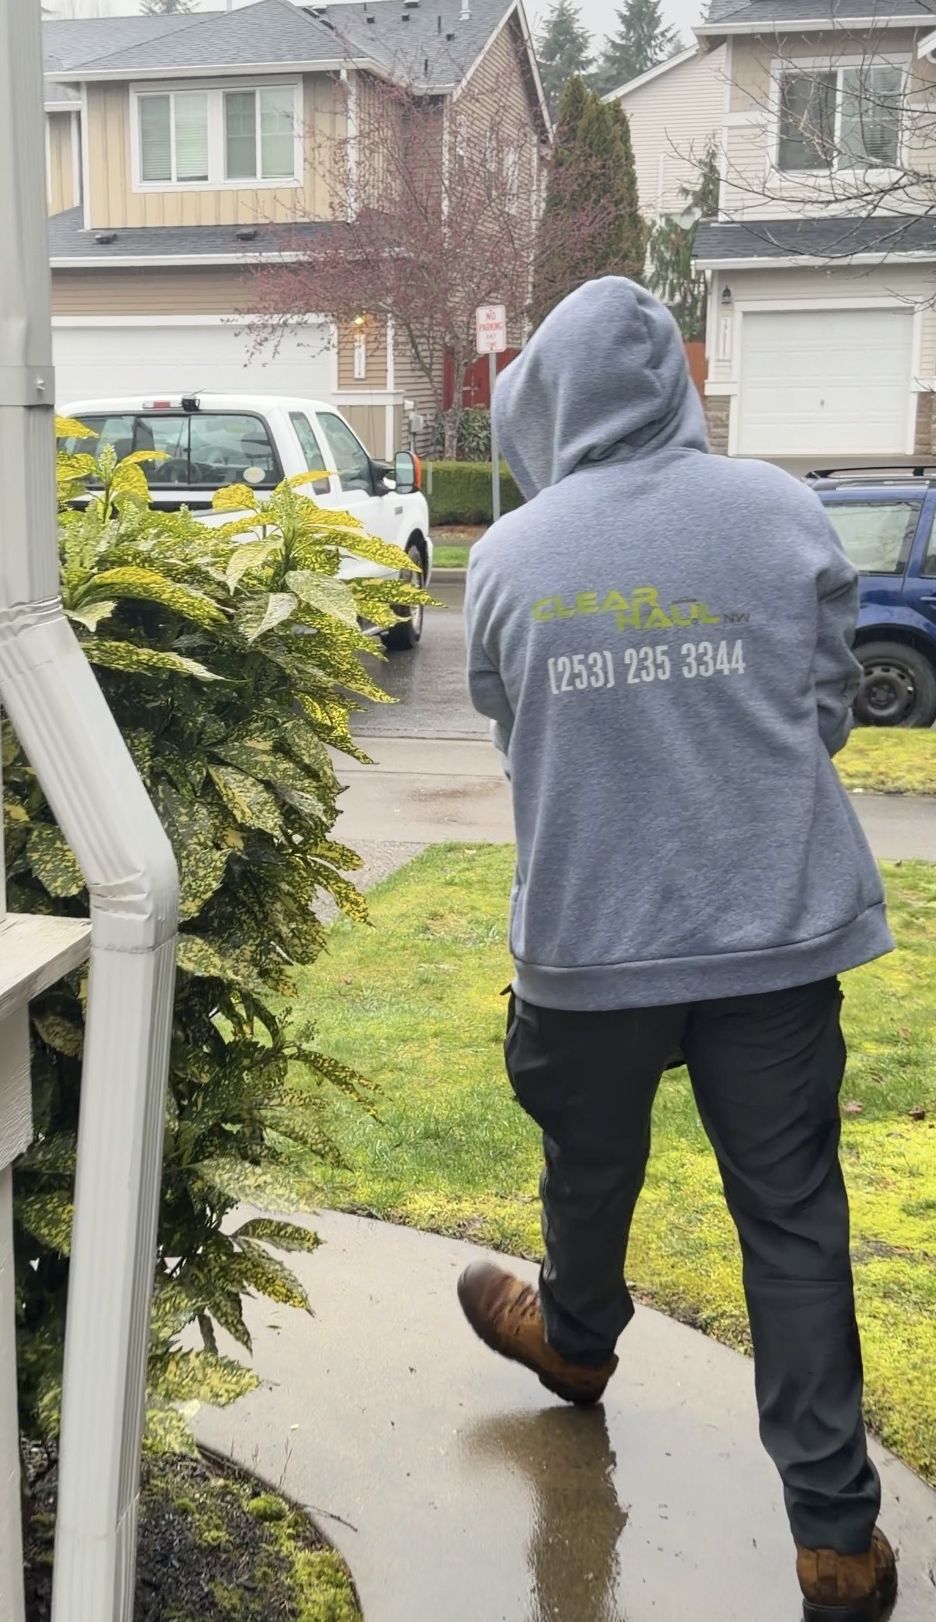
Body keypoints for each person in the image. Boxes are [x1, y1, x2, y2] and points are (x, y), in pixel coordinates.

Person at [461, 277, 897, 1622]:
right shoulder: (782, 510)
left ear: (548, 398)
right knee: (794, 1225)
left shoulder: (508, 556)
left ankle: (577, 1341)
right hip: (775, 935)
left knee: (588, 1174)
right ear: (677, 386)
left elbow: (507, 712)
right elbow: (824, 708)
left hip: (590, 951)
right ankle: (835, 1543)